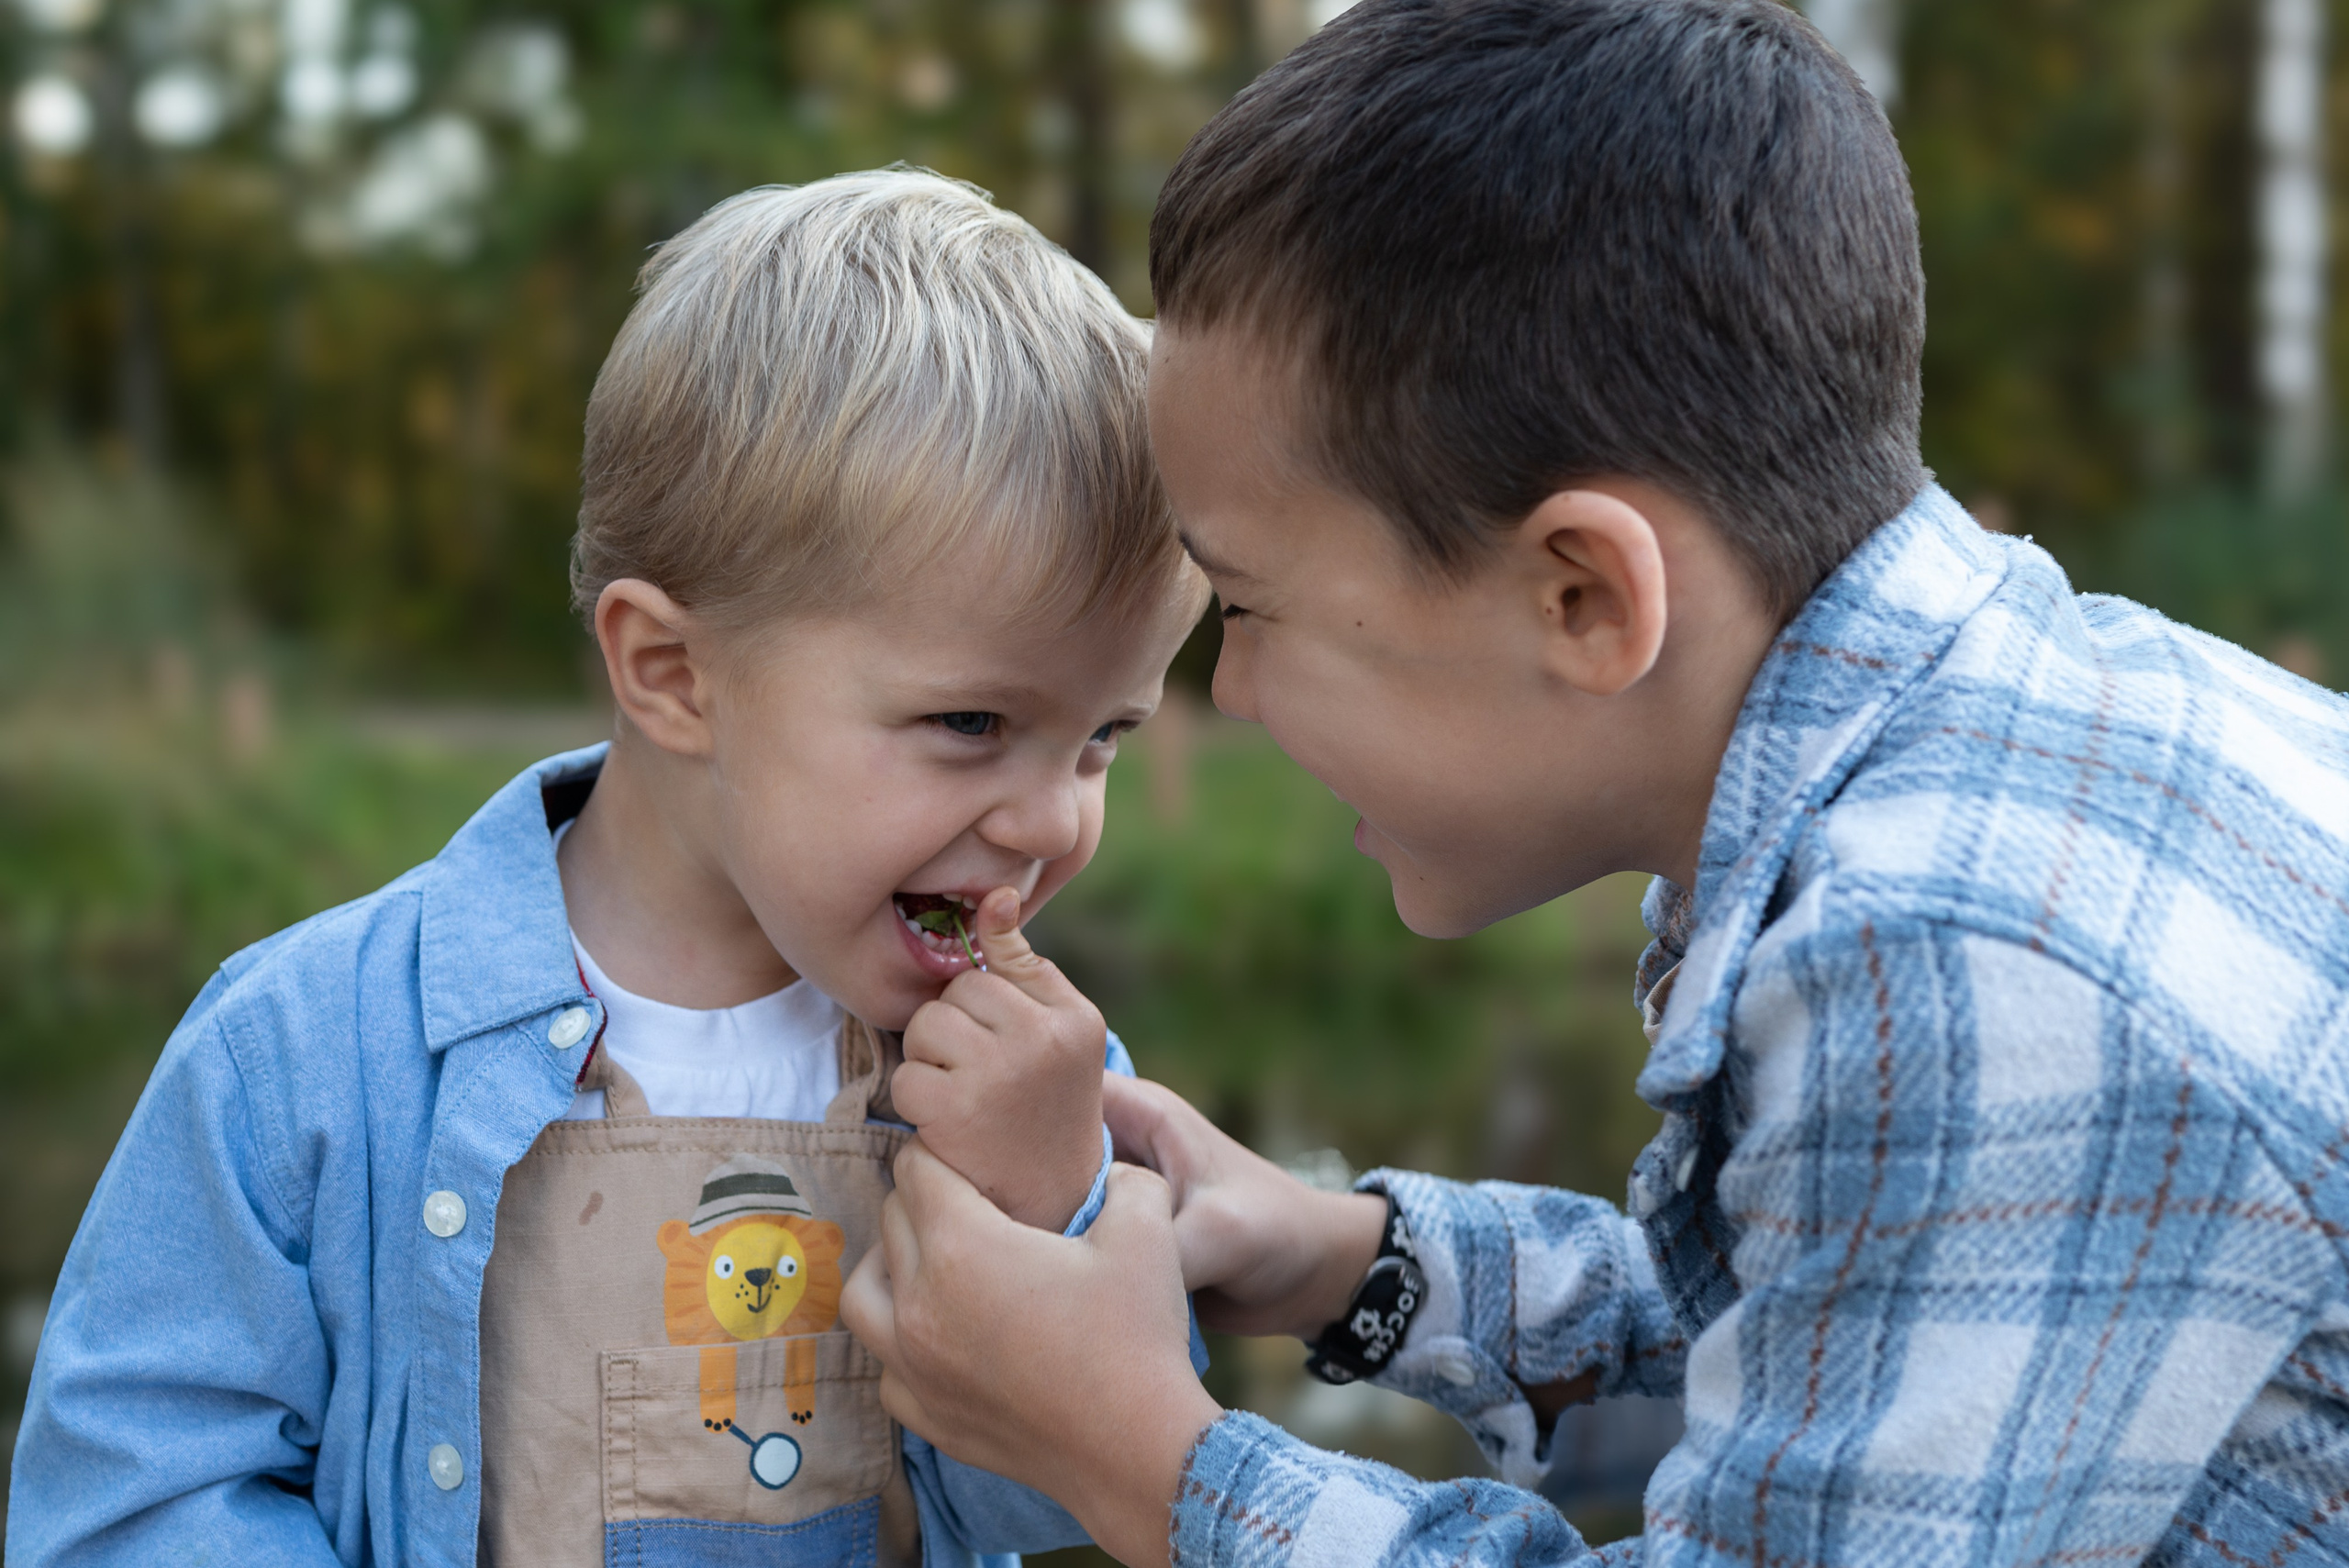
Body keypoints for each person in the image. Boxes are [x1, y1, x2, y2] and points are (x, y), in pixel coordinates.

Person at [839, 4, 2349, 1566]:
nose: (1228, 692)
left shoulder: (1966, 962)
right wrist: (1358, 1260)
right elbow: (1839, 1328)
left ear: (1583, 598)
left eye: (1249, 605)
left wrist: (1134, 1451)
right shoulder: (2015, 752)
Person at [6, 170, 1207, 1568]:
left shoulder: (1035, 1086)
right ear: (673, 675)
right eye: (972, 725)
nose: (1053, 820)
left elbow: (1082, 1502)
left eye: (1105, 738)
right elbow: (129, 1499)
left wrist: (1050, 1200)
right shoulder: (305, 1054)